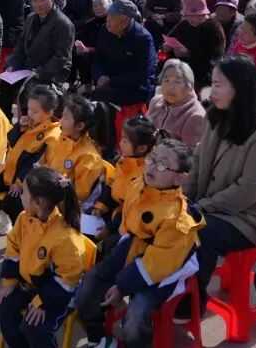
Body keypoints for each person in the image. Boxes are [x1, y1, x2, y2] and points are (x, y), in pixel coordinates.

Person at [76, 135, 204, 347]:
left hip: (166, 267)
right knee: (90, 283)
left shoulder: (178, 220)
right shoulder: (138, 185)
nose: (152, 166)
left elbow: (157, 264)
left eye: (162, 164)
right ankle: (99, 337)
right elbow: (127, 221)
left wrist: (121, 286)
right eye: (153, 158)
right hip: (134, 245)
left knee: (136, 315)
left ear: (180, 179)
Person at [185, 56, 256, 312]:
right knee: (170, 217)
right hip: (210, 205)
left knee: (199, 232)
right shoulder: (216, 116)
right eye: (212, 83)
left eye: (219, 85)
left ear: (239, 87)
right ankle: (167, 288)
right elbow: (197, 163)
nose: (212, 91)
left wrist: (201, 207)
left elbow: (247, 192)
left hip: (250, 217)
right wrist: (183, 198)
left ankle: (192, 301)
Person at [0, 166, 87, 348]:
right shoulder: (24, 218)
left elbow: (67, 280)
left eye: (24, 193)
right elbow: (13, 247)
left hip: (57, 295)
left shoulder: (66, 238)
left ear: (38, 202)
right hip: (30, 284)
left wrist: (42, 302)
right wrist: (10, 282)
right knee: (5, 307)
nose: (20, 195)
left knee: (35, 328)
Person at [0, 85, 61, 232]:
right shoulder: (30, 123)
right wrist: (19, 127)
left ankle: (20, 232)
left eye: (35, 111)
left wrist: (20, 183)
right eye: (29, 109)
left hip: (27, 181)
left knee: (12, 203)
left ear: (49, 113)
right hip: (9, 172)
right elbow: (11, 141)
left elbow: (35, 164)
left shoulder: (52, 136)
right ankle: (5, 216)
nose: (30, 114)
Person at [6, 0, 75, 85]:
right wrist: (13, 64)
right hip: (27, 69)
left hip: (50, 74)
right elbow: (20, 45)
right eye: (34, 0)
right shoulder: (30, 18)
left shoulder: (63, 24)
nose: (38, 4)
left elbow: (61, 57)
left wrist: (40, 73)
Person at [91, 0, 156, 107]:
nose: (107, 21)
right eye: (107, 17)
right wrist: (99, 76)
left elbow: (142, 75)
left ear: (125, 21)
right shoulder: (105, 30)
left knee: (101, 98)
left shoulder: (142, 38)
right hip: (109, 82)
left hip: (134, 88)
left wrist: (111, 81)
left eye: (111, 18)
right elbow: (98, 58)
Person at [162, 0, 225, 93]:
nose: (191, 19)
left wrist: (188, 54)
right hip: (180, 70)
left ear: (204, 14)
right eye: (188, 16)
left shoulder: (214, 29)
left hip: (203, 76)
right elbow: (170, 39)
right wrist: (167, 47)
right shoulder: (184, 24)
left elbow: (214, 58)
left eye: (196, 16)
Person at [145, 60, 207, 147]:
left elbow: (189, 154)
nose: (170, 87)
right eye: (166, 80)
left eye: (177, 82)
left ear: (189, 86)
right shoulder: (156, 102)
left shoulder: (195, 116)